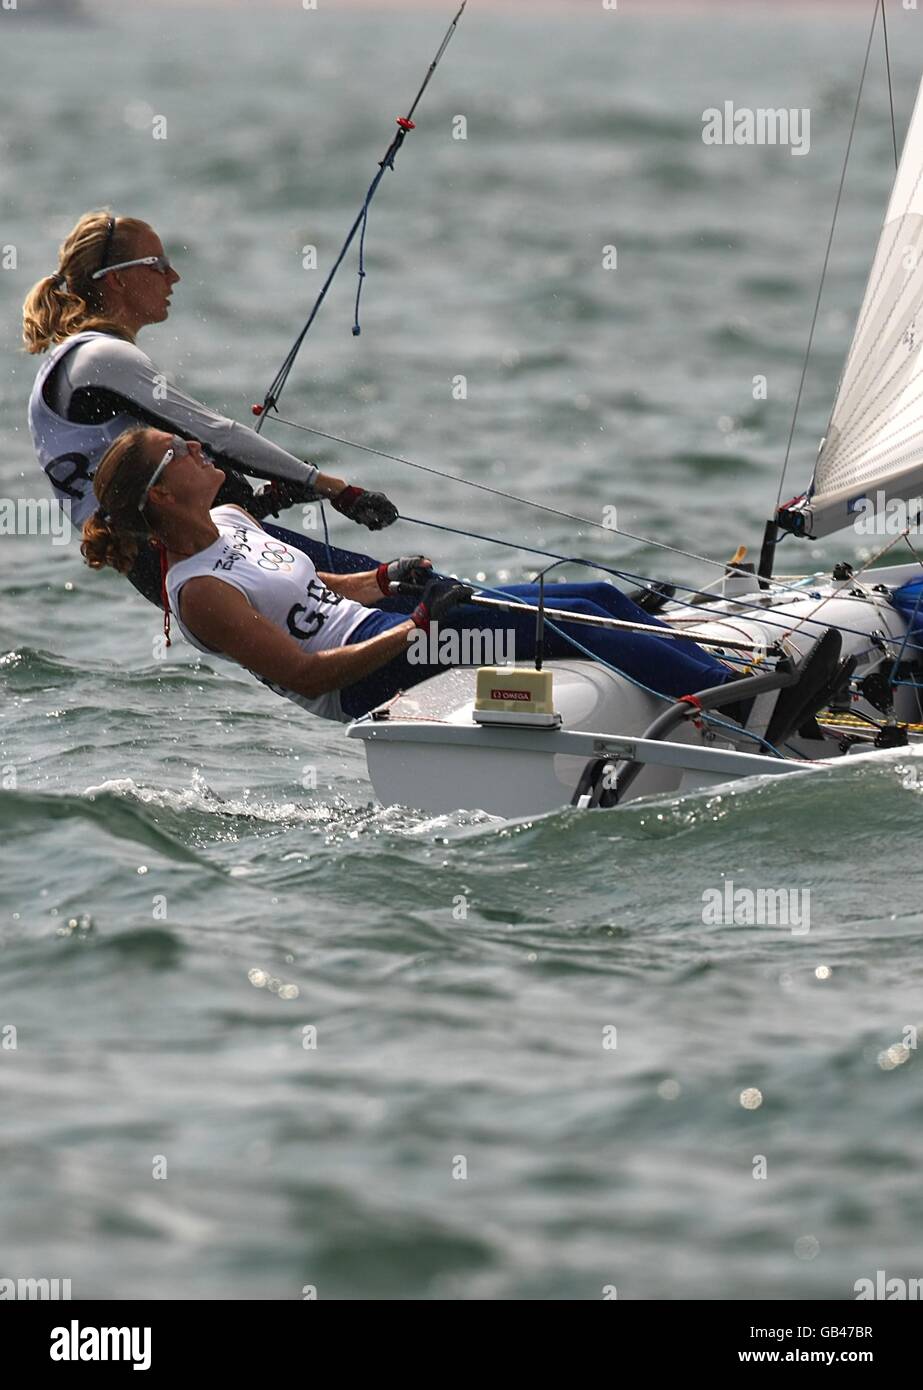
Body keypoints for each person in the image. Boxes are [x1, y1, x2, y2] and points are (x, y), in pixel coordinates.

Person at [80, 427, 738, 723]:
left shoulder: (232, 519)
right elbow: (307, 674)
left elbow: (318, 593)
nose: (198, 447)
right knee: (561, 628)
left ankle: (716, 675)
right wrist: (416, 627)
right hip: (370, 677)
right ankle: (731, 702)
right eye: (180, 452)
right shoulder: (197, 593)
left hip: (389, 627)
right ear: (163, 497)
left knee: (592, 596)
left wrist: (386, 582)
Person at [22, 209, 399, 607]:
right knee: (401, 589)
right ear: (117, 279)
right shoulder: (102, 358)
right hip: (189, 554)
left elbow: (150, 473)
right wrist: (336, 488)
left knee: (368, 596)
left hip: (171, 561)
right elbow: (216, 436)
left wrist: (263, 500)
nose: (173, 276)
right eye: (158, 265)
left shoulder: (70, 362)